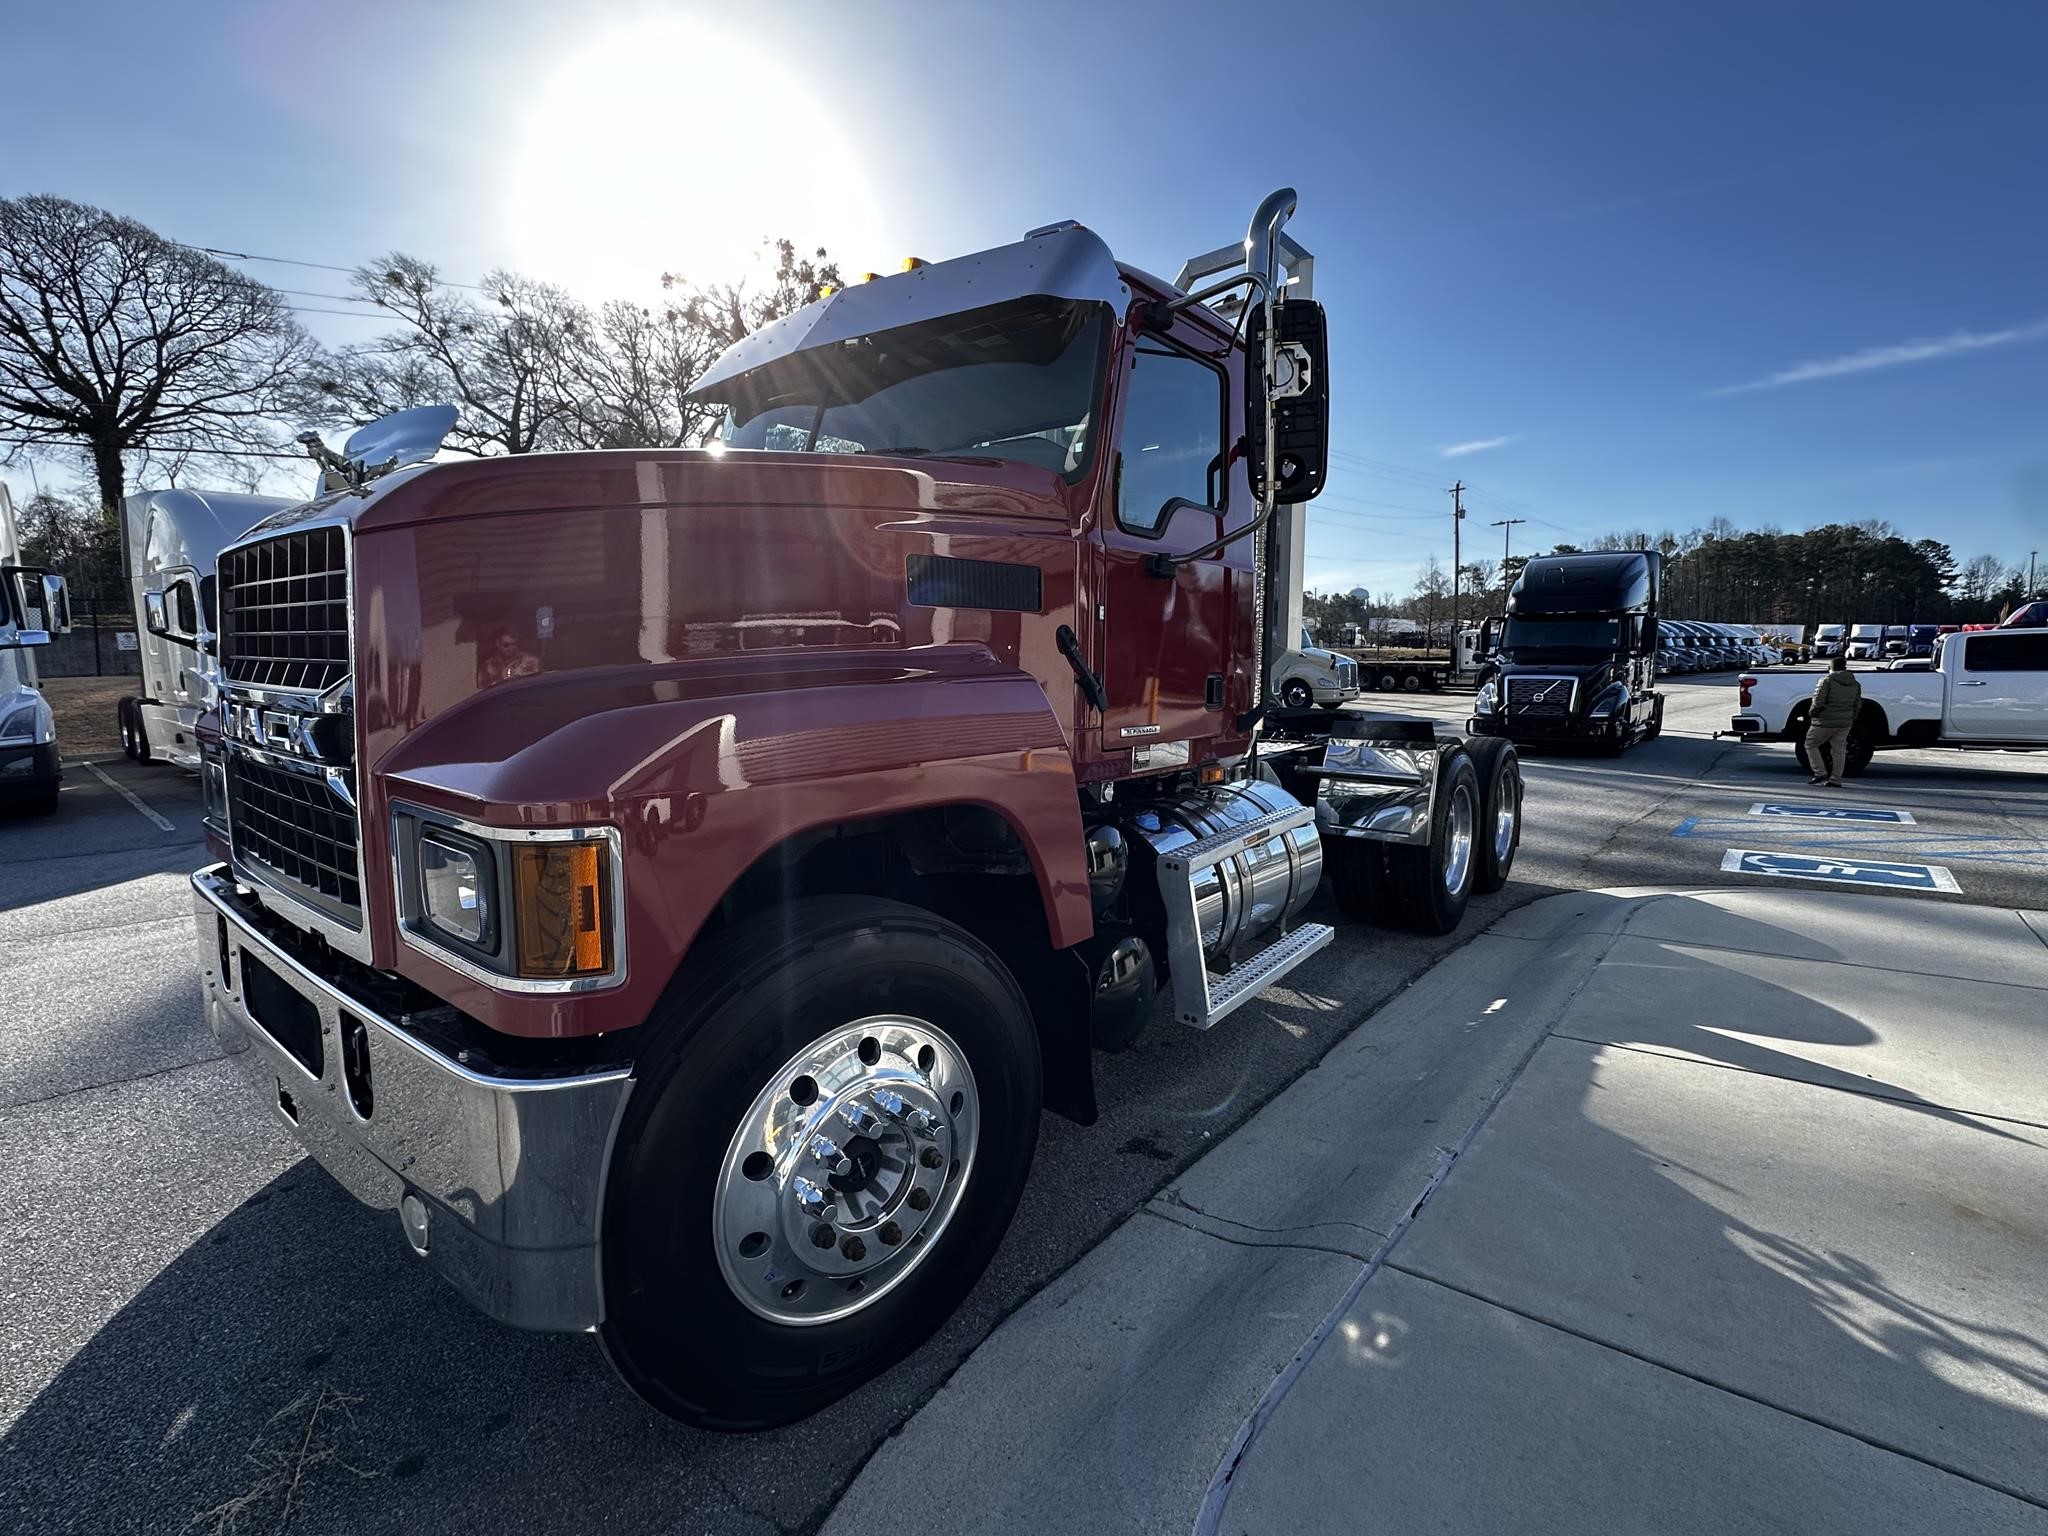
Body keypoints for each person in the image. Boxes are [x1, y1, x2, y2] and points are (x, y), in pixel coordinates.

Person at [1804, 654, 1861, 786]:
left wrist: (1812, 714)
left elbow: (1818, 702)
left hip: (1825, 721)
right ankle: (1836, 779)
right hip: (1845, 722)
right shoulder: (1855, 683)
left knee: (1810, 743)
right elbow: (1857, 704)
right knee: (1839, 750)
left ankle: (1820, 772)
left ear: (1830, 667)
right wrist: (1851, 718)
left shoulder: (1826, 681)